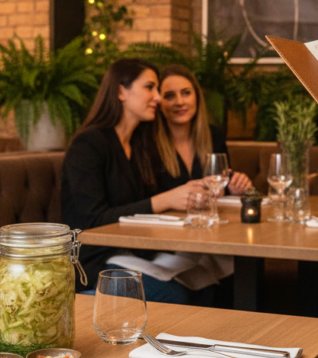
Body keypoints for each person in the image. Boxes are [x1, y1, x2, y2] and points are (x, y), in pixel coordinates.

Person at [61, 59, 225, 305]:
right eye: (150, 88)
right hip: (93, 261)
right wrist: (163, 200)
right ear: (120, 91)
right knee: (173, 294)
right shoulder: (90, 144)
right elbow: (90, 221)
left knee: (206, 281)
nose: (158, 98)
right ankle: (88, 303)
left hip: (134, 253)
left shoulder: (138, 144)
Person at [155, 64, 253, 194]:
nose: (179, 102)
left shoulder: (214, 136)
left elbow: (221, 187)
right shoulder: (148, 143)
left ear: (197, 97)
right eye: (169, 96)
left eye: (186, 93)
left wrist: (235, 186)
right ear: (157, 101)